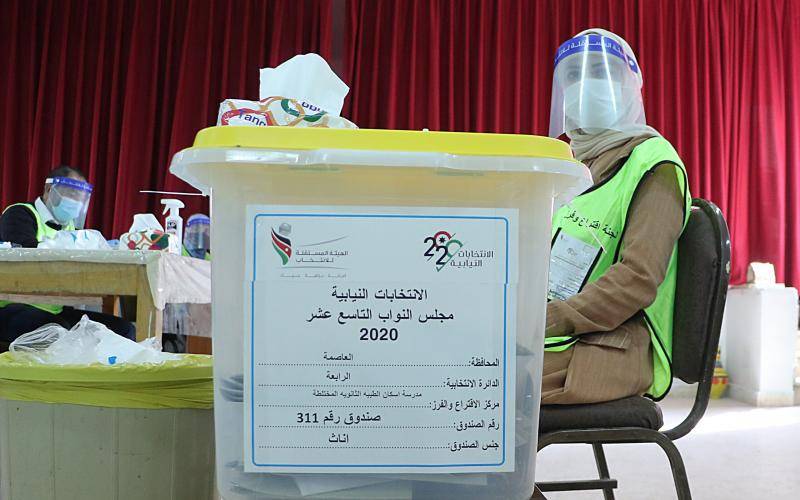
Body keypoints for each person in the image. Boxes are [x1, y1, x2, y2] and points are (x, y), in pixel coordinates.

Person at [542, 29, 691, 404]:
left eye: (600, 71)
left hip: (612, 347)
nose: (585, 84)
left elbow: (636, 280)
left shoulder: (654, 164)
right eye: (573, 75)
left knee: (482, 380)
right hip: (561, 335)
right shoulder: (571, 167)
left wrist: (546, 320)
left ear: (630, 84)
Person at [0, 165, 136, 343]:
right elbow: (26, 256)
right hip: (11, 305)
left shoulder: (71, 229)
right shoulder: (19, 214)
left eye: (80, 198)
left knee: (123, 330)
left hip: (55, 310)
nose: (76, 202)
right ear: (49, 189)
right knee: (57, 329)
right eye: (71, 194)